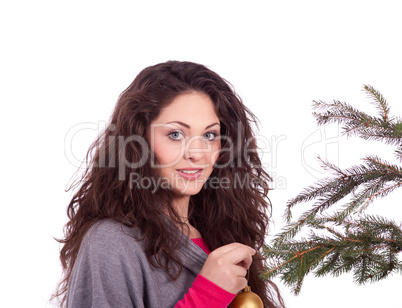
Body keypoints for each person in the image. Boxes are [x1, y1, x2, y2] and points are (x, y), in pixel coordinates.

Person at [54, 61, 285, 307]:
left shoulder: (222, 233)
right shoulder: (111, 243)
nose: (197, 153)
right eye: (175, 134)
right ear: (138, 142)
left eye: (209, 135)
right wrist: (207, 295)